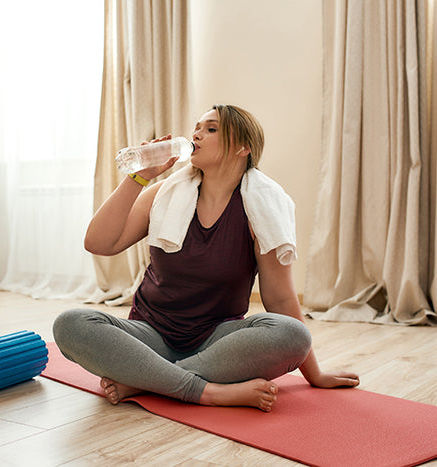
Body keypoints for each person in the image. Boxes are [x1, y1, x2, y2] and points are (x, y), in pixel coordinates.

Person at [53, 104, 360, 412]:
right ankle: (208, 392)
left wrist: (314, 374)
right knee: (71, 324)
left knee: (293, 334)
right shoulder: (162, 194)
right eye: (197, 127)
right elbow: (99, 243)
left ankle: (146, 380)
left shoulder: (261, 209)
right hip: (150, 336)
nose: (196, 133)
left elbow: (280, 300)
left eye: (211, 128)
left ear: (243, 147)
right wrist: (138, 177)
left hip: (216, 342)